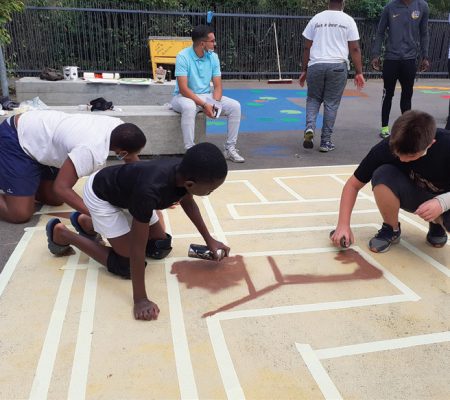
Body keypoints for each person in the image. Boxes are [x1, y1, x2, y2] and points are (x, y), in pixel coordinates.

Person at [45, 142, 230, 321]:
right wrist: (140, 299)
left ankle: (87, 223)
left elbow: (188, 203)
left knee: (159, 247)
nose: (211, 192)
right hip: (102, 195)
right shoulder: (149, 192)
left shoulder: (182, 171)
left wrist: (209, 240)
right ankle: (62, 234)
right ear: (189, 183)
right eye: (211, 190)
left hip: (129, 194)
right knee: (128, 265)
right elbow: (137, 247)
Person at [331, 110, 450, 254]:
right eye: (398, 154)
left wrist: (442, 204)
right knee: (382, 174)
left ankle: (437, 222)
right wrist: (343, 225)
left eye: (411, 156)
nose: (403, 160)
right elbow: (353, 185)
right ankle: (391, 228)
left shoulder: (446, 144)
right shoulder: (387, 146)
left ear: (430, 144)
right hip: (414, 195)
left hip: (445, 199)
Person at [0, 110, 145, 223]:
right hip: (17, 137)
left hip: (43, 137)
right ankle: (15, 182)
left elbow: (132, 161)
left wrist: (152, 192)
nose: (132, 157)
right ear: (122, 152)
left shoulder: (120, 128)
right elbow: (61, 188)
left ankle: (22, 185)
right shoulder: (91, 150)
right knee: (20, 213)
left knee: (54, 199)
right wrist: (101, 215)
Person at [171, 24, 245, 163]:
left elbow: (217, 86)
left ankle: (230, 149)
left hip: (206, 96)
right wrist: (205, 105)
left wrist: (214, 104)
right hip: (183, 97)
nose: (214, 44)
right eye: (212, 41)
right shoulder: (183, 56)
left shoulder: (213, 57)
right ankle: (190, 151)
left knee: (235, 106)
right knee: (189, 107)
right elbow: (183, 89)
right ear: (202, 43)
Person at [299, 0, 365, 152]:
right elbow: (354, 48)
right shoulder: (348, 20)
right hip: (337, 66)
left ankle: (309, 128)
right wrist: (359, 72)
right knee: (331, 103)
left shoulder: (316, 18)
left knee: (313, 99)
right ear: (343, 2)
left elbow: (306, 47)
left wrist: (304, 70)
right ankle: (325, 141)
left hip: (316, 65)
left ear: (328, 2)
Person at [371, 0, 429, 139]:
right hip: (391, 58)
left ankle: (406, 129)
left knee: (407, 95)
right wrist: (376, 54)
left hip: (409, 59)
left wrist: (425, 56)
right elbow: (380, 32)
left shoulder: (422, 6)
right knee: (388, 94)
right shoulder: (390, 7)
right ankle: (385, 127)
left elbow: (424, 33)